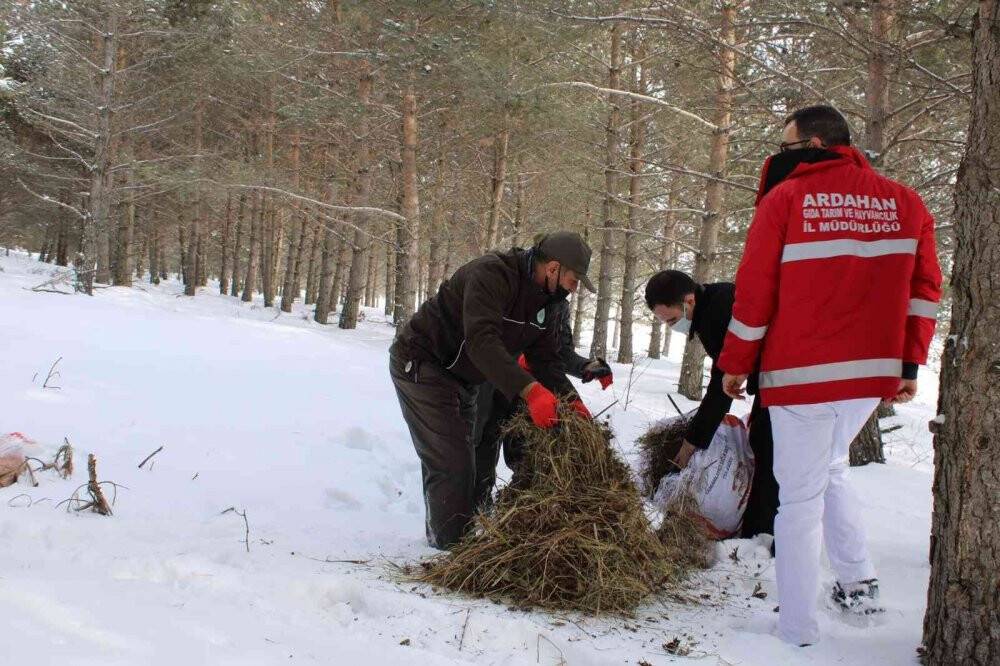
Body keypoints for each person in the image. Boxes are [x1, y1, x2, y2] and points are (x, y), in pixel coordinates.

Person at [719, 105, 942, 646]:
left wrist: (736, 363)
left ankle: (796, 629)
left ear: (816, 144)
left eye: (787, 146)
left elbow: (754, 292)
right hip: (869, 378)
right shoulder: (906, 202)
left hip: (803, 376)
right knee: (832, 467)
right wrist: (908, 364)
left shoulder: (786, 200)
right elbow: (924, 290)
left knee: (798, 501)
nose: (781, 156)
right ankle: (858, 583)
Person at [389, 231, 596, 550]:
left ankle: (459, 535)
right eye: (574, 279)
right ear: (553, 268)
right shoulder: (492, 274)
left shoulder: (550, 303)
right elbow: (481, 343)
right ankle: (449, 550)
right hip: (424, 363)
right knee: (452, 463)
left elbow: (546, 361)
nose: (575, 287)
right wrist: (531, 392)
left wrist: (572, 402)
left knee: (469, 458)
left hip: (465, 378)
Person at [645, 271, 777, 539]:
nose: (671, 328)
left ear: (689, 301)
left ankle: (762, 534)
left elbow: (720, 386)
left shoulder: (715, 313)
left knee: (768, 449)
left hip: (783, 379)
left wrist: (691, 443)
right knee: (762, 441)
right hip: (773, 379)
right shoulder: (716, 300)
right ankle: (760, 529)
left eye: (672, 320)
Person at [472, 297, 613, 497]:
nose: (572, 288)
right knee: (481, 459)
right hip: (492, 387)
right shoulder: (508, 289)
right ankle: (476, 509)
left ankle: (519, 507)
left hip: (531, 398)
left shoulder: (559, 302)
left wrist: (585, 366)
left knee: (526, 461)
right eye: (572, 281)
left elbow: (559, 351)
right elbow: (484, 340)